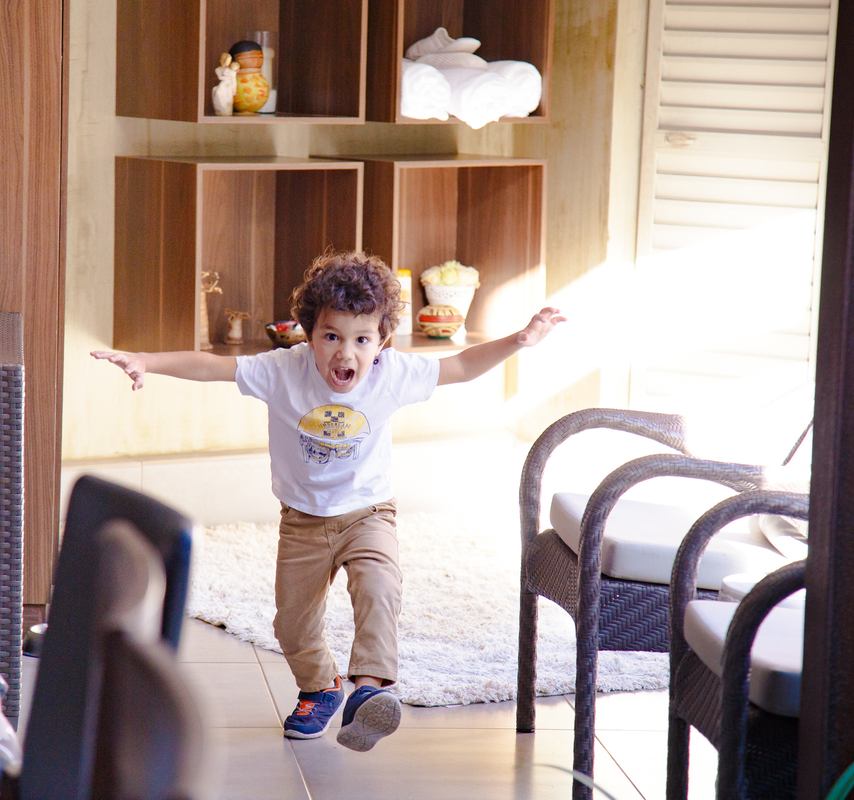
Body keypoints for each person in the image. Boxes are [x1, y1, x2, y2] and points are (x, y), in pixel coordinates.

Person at [92, 250, 565, 751]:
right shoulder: (283, 370)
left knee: (380, 587)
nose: (346, 353)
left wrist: (519, 340)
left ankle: (369, 692)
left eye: (362, 339)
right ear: (308, 334)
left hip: (369, 513)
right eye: (331, 337)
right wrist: (147, 361)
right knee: (292, 624)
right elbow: (212, 366)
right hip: (302, 521)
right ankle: (320, 688)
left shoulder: (391, 373)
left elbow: (463, 365)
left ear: (382, 340)